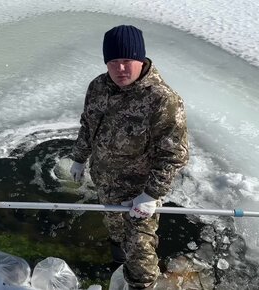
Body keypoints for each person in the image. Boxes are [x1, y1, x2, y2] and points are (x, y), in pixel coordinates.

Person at [70, 25, 189, 289]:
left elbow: (174, 154)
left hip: (138, 195)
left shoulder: (161, 100)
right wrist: (79, 157)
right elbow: (88, 125)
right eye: (113, 62)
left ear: (141, 59)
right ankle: (117, 262)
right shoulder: (98, 87)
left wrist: (150, 195)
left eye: (126, 61)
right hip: (105, 183)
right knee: (115, 232)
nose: (120, 69)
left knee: (141, 258)